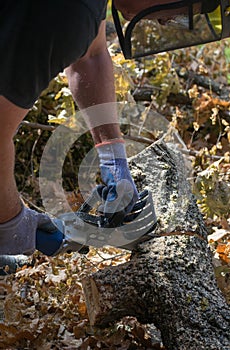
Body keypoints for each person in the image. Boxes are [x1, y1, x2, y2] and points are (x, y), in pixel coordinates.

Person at [0, 0, 139, 256]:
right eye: (178, 13)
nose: (166, 21)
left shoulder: (82, 9)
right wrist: (11, 223)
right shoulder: (65, 12)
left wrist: (113, 156)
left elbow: (92, 55)